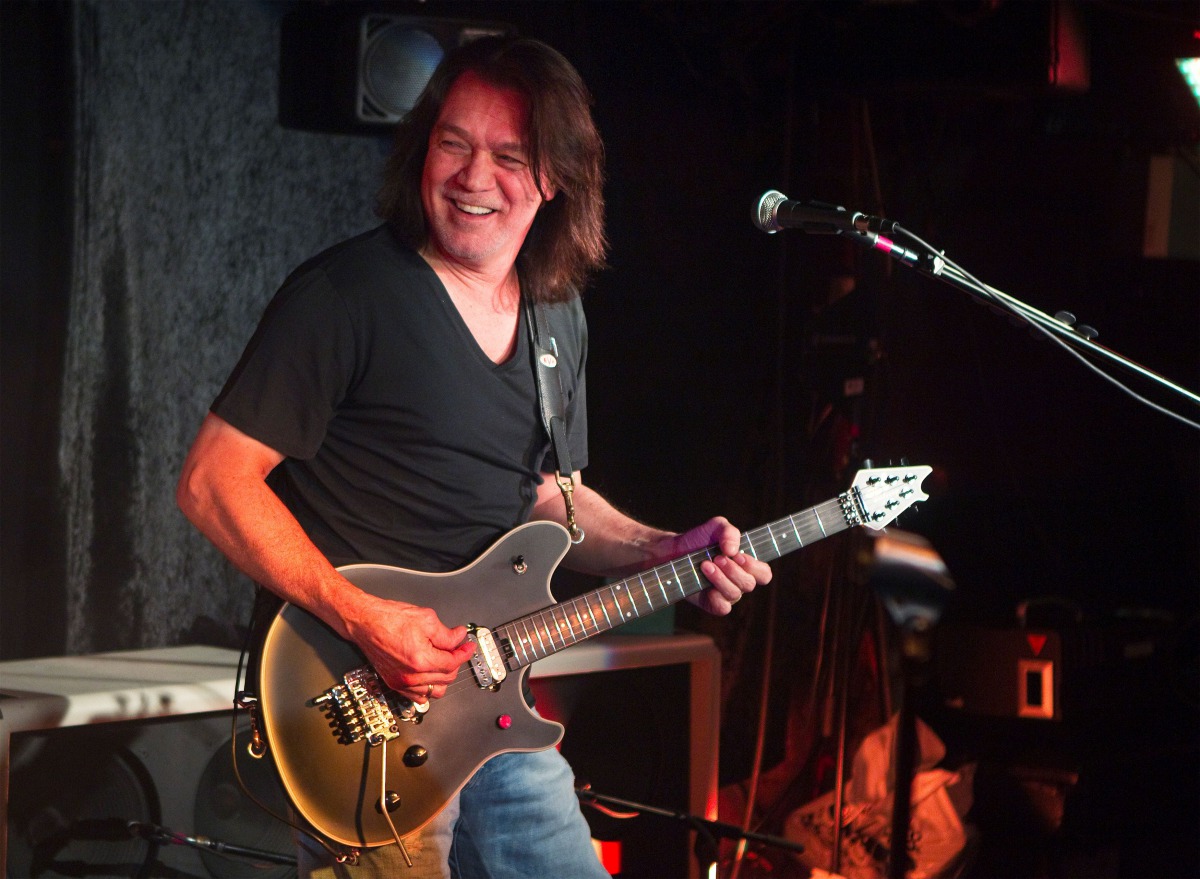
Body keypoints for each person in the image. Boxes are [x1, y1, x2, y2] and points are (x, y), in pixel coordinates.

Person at [177, 35, 771, 879]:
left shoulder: (558, 318)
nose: (471, 176)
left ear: (555, 176)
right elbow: (211, 480)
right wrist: (361, 616)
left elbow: (550, 495)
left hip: (493, 702)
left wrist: (661, 548)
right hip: (366, 708)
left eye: (508, 155)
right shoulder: (345, 298)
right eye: (453, 143)